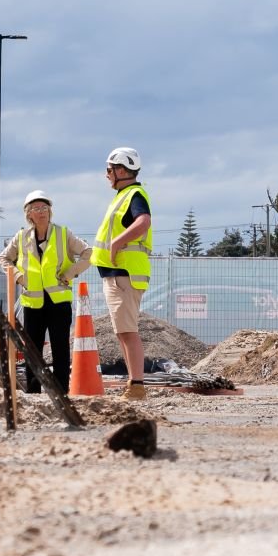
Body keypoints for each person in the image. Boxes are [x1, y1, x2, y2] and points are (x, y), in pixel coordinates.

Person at [0, 189, 91, 394]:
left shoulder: (62, 234)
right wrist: (18, 276)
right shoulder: (21, 237)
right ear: (28, 213)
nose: (41, 212)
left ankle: (60, 391)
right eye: (36, 208)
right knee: (33, 350)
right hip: (33, 303)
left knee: (60, 348)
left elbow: (88, 253)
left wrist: (70, 273)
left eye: (44, 208)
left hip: (58, 302)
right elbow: (3, 259)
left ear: (50, 211)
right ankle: (33, 392)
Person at [90, 146, 154, 399]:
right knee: (123, 331)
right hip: (118, 275)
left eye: (109, 169)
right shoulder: (123, 195)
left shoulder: (134, 195)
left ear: (123, 170)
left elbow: (143, 222)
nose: (106, 174)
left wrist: (118, 243)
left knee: (127, 332)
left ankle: (137, 385)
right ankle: (133, 383)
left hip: (124, 274)